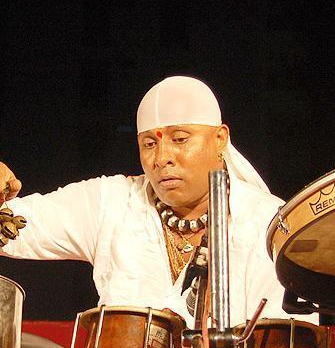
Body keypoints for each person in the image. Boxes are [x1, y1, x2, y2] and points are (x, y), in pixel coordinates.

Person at [0, 75, 318, 329]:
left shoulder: (271, 224)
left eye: (180, 139)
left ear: (220, 139)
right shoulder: (110, 203)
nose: (162, 157)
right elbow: (10, 228)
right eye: (149, 144)